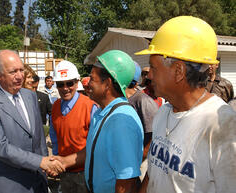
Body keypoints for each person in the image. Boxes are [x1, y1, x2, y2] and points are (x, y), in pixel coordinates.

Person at [135, 16, 236, 193]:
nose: (149, 75)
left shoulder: (223, 127)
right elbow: (153, 174)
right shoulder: (164, 112)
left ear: (178, 71)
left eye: (154, 68)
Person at [0, 50, 64, 193]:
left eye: (21, 70)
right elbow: (0, 147)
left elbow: (38, 137)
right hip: (9, 184)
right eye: (13, 71)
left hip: (38, 182)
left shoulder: (30, 96)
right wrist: (40, 162)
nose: (20, 76)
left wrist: (47, 163)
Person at [52, 50, 144, 193]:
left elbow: (126, 183)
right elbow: (92, 151)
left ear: (107, 84)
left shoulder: (120, 121)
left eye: (92, 79)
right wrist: (63, 162)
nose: (88, 84)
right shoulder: (102, 112)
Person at [50, 60, 97, 193]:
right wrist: (56, 162)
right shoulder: (55, 107)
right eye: (60, 84)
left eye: (69, 83)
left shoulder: (90, 106)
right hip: (64, 171)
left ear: (77, 83)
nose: (65, 88)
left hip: (85, 172)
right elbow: (55, 139)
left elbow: (95, 145)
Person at [125, 61, 158, 181]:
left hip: (140, 163)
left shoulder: (142, 101)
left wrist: (139, 158)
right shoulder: (121, 100)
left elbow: (154, 135)